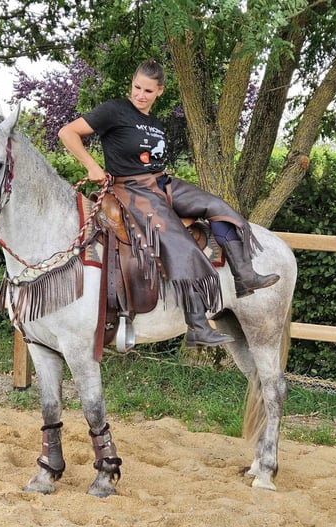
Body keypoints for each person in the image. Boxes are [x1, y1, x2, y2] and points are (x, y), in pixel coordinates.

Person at [58, 59, 279, 347]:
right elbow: (67, 132)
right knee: (179, 243)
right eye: (137, 87)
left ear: (159, 91)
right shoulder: (114, 110)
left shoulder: (154, 123)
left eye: (148, 91)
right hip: (132, 190)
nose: (140, 95)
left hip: (162, 183)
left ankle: (244, 276)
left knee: (218, 207)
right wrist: (91, 165)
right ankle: (198, 325)